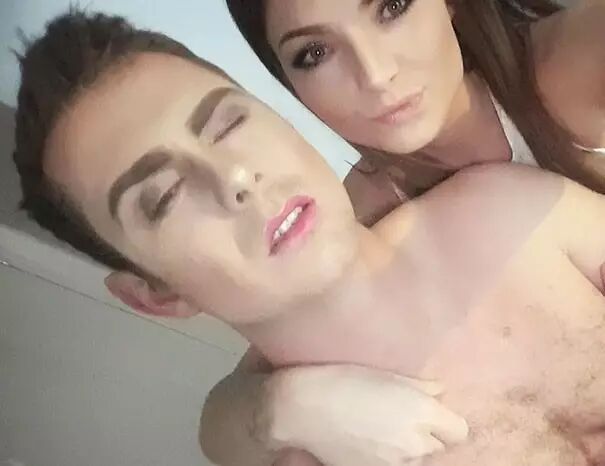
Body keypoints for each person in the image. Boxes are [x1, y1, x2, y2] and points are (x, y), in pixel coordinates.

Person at [13, 9, 605, 466]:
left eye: (228, 123)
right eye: (164, 196)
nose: (236, 179)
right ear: (156, 296)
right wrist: (269, 415)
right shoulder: (305, 453)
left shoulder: (508, 202)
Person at [203, 0, 605, 462]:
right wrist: (282, 407)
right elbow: (225, 420)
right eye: (315, 53)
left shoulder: (566, 63)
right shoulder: (360, 211)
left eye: (392, 7)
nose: (376, 74)